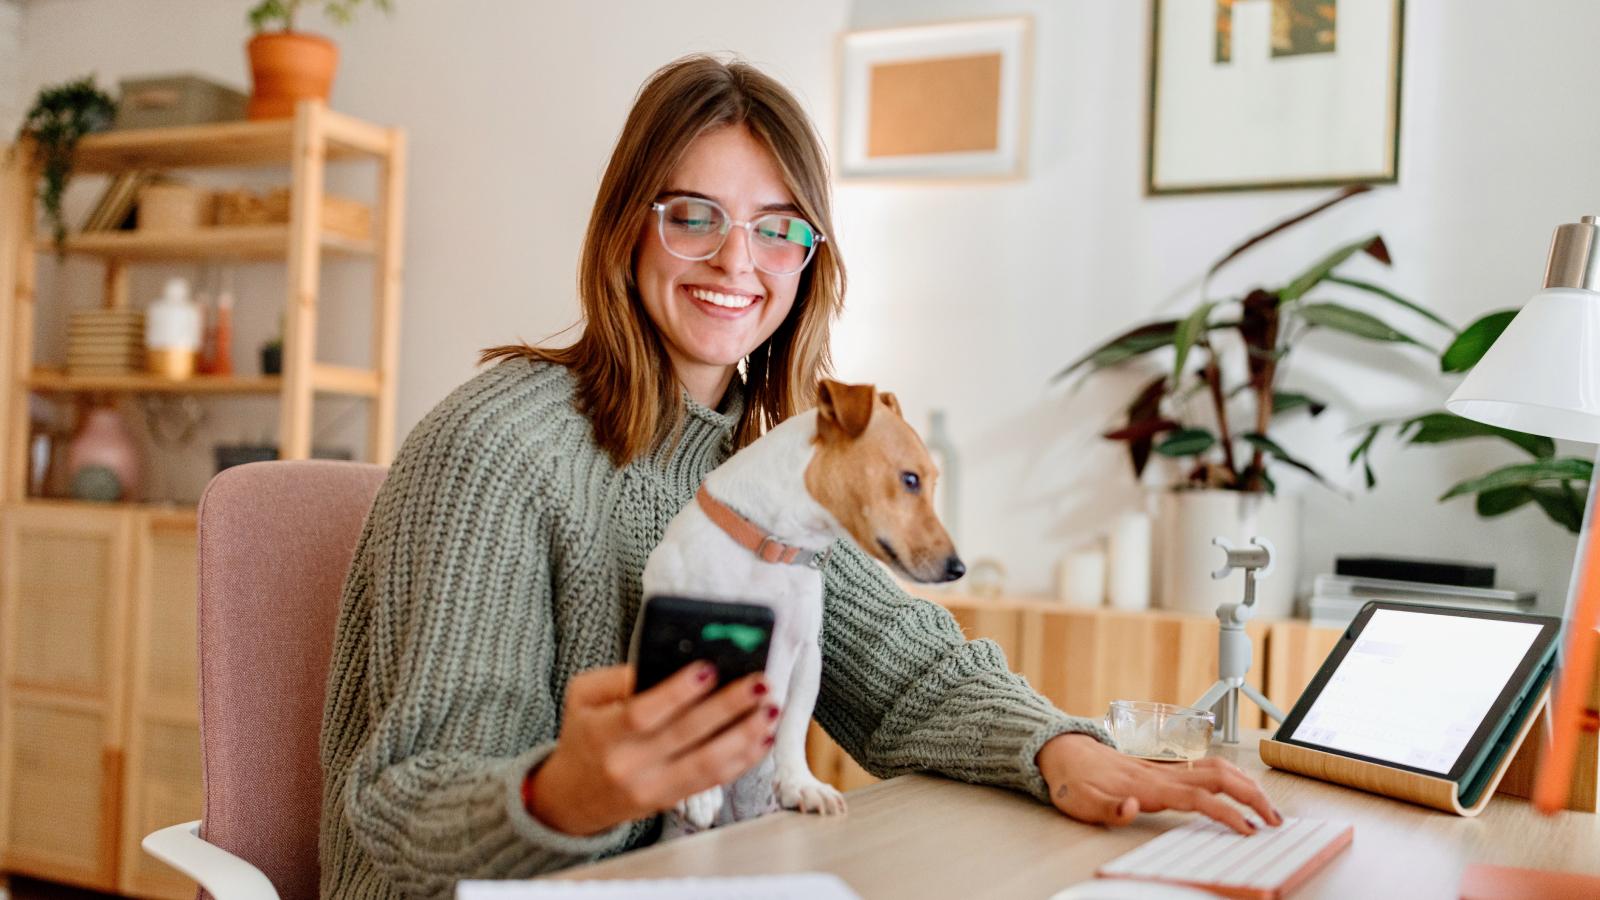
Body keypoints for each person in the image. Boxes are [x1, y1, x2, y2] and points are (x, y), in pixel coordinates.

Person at [318, 54, 1281, 900]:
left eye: (779, 229)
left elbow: (912, 676)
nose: (738, 259)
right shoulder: (496, 446)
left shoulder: (762, 476)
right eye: (693, 216)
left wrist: (1062, 753)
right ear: (625, 229)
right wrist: (570, 791)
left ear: (810, 259)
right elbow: (404, 803)